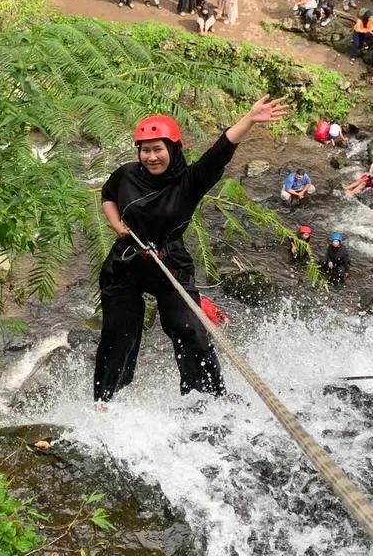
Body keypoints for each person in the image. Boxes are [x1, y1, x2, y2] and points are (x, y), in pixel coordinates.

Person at [94, 96, 289, 403]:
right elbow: (108, 195)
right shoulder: (127, 175)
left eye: (158, 149)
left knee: (187, 328)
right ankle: (107, 402)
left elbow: (219, 153)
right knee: (119, 335)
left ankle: (208, 400)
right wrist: (117, 225)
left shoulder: (189, 181)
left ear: (173, 149)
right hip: (127, 261)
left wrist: (249, 119)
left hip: (168, 261)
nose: (151, 157)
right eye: (146, 150)